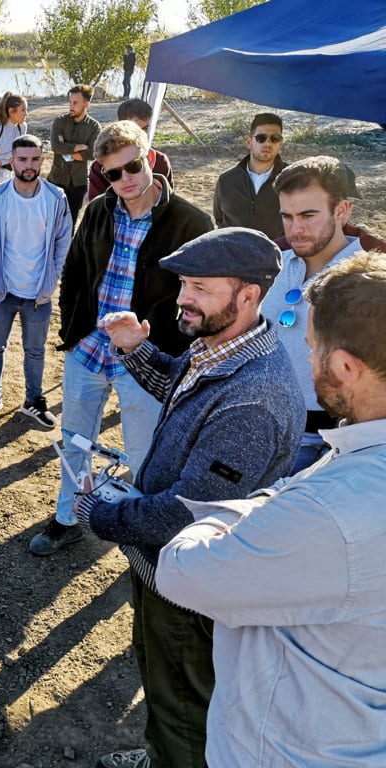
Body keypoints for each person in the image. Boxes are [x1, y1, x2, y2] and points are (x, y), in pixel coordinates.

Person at [77, 228, 304, 768]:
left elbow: (184, 513)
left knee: (184, 699)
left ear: (248, 295)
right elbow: (181, 383)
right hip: (164, 570)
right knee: (159, 674)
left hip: (191, 586)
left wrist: (99, 514)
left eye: (200, 287)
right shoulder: (222, 347)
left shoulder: (254, 400)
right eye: (184, 284)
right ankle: (161, 753)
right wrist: (134, 348)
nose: (183, 298)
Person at [156, 249, 386, 768]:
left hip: (286, 746)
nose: (306, 362)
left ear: (346, 365)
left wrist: (248, 507)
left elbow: (182, 569)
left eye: (312, 350)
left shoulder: (329, 512)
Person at [30, 120, 213, 556]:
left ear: (149, 158)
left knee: (145, 455)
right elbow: (74, 274)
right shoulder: (97, 210)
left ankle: (147, 536)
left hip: (148, 358)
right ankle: (68, 517)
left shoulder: (191, 220)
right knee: (74, 440)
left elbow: (204, 296)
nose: (125, 180)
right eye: (112, 173)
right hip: (89, 351)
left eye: (132, 167)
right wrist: (71, 333)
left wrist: (165, 344)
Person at [266, 156, 364, 472]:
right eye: (287, 216)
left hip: (324, 444)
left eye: (308, 215)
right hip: (260, 428)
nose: (296, 229)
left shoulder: (366, 282)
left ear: (342, 210)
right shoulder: (273, 265)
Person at [0, 134, 71, 427]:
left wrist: (53, 276)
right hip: (2, 291)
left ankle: (33, 400)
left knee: (36, 350)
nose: (29, 165)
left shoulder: (56, 198)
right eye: (23, 159)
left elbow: (64, 239)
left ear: (43, 159)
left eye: (35, 159)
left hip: (39, 293)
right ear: (12, 161)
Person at [212, 112, 286, 239]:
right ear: (249, 142)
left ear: (280, 144)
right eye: (261, 138)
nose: (268, 144)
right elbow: (219, 219)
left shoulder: (291, 180)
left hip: (274, 256)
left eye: (275, 138)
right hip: (231, 254)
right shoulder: (227, 180)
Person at [87, 99, 173, 201]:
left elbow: (167, 203)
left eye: (145, 128)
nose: (141, 134)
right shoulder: (101, 167)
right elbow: (98, 210)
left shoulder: (160, 161)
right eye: (134, 129)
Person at [46, 84, 101, 223]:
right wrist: (77, 147)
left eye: (75, 102)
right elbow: (56, 146)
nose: (71, 105)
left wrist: (67, 148)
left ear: (86, 104)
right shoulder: (59, 122)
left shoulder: (94, 126)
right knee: (50, 221)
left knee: (70, 222)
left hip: (78, 181)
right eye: (70, 101)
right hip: (56, 178)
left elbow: (93, 153)